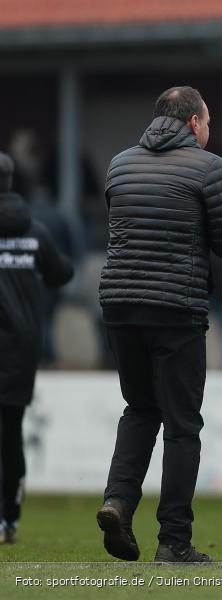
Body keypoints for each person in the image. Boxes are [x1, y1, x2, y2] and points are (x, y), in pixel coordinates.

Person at [97, 86, 222, 564]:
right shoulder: (208, 166)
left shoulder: (120, 163)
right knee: (182, 425)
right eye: (209, 122)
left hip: (119, 305)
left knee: (140, 409)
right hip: (176, 308)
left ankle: (118, 502)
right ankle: (174, 541)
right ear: (194, 123)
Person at [0, 152, 73, 543]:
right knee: (10, 434)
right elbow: (63, 273)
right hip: (22, 347)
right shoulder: (35, 232)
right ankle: (8, 519)